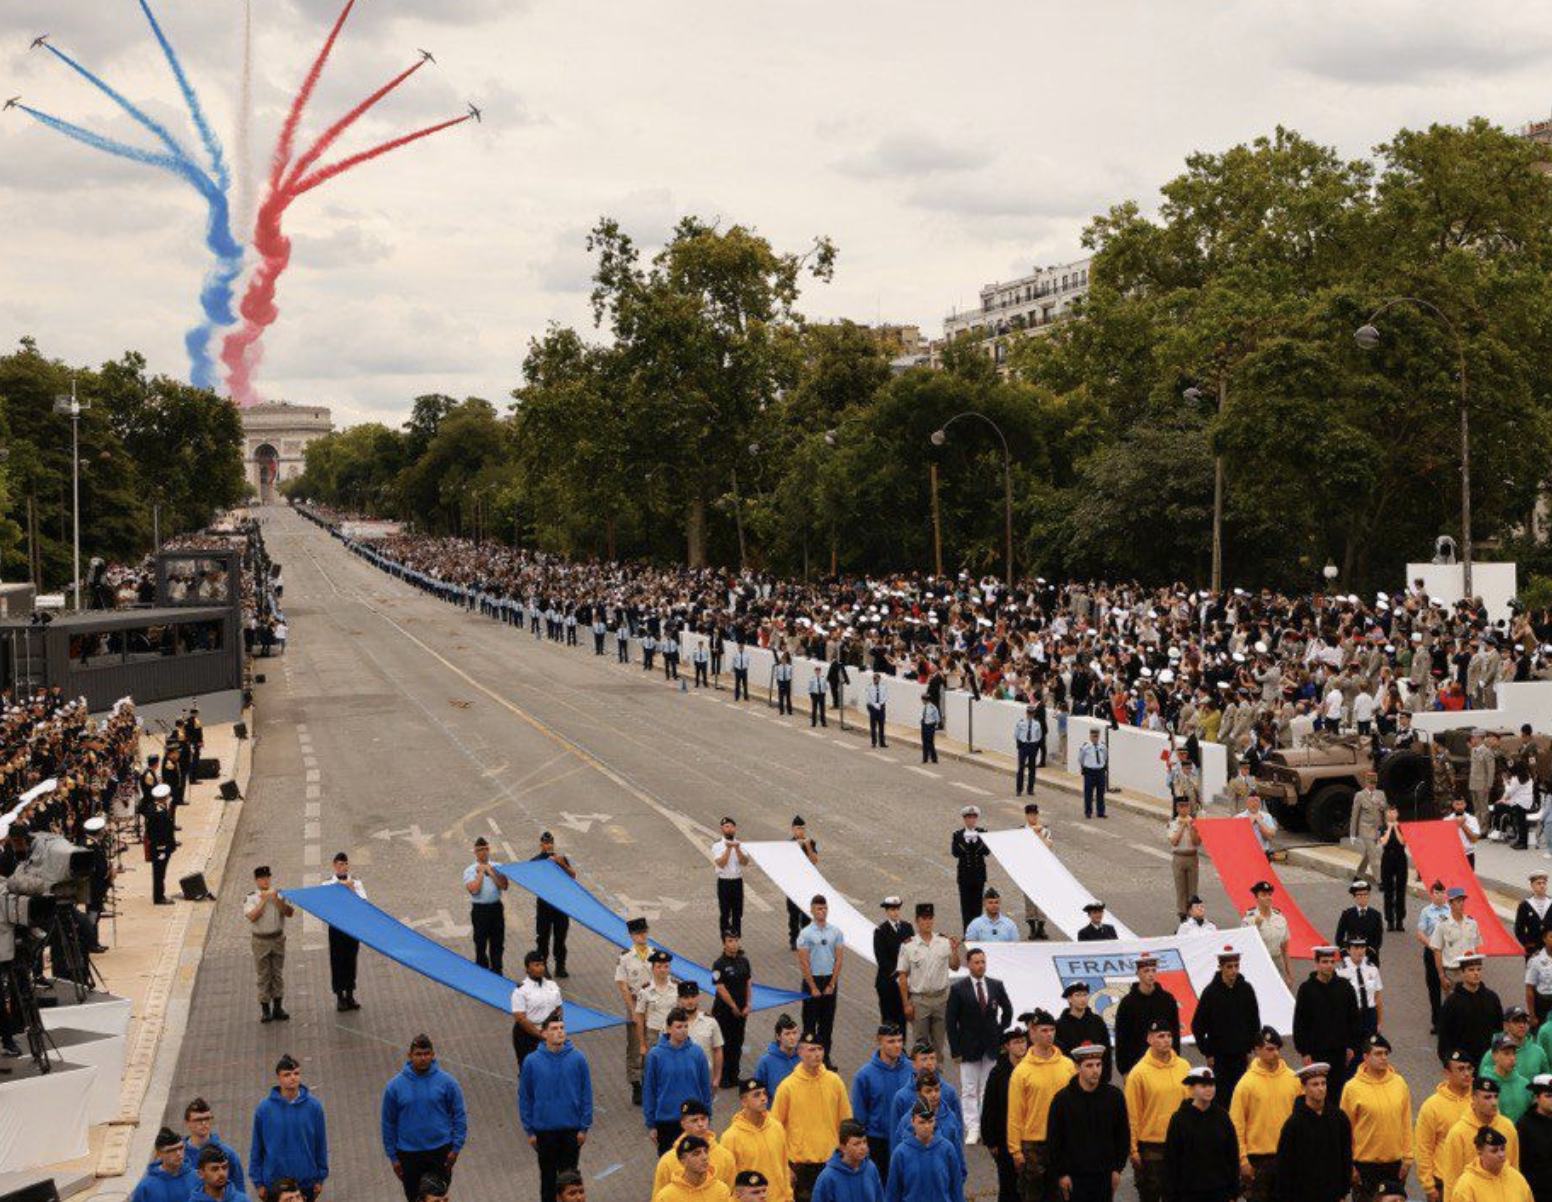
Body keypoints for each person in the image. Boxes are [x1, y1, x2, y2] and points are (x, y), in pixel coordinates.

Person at [380, 1034, 466, 1202]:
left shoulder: (448, 1083)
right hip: (408, 1154)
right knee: (415, 1198)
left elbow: (459, 1115)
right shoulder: (394, 1087)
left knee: (436, 1198)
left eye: (426, 1053)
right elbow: (387, 1123)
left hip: (440, 1151)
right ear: (410, 1055)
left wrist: (455, 1148)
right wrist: (393, 1157)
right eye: (418, 1054)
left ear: (433, 1054)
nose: (423, 1058)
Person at [518, 1012, 593, 1202]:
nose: (560, 1032)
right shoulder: (531, 1062)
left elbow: (586, 1094)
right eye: (554, 1029)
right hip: (545, 1132)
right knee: (548, 1181)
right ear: (543, 1034)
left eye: (562, 1028)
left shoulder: (578, 1058)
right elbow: (525, 1097)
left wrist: (584, 1127)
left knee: (571, 1181)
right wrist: (530, 1130)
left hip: (571, 1131)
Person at [771, 1031, 852, 1202]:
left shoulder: (834, 1081)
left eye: (819, 1049)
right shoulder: (787, 1087)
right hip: (802, 1167)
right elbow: (775, 1130)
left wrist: (847, 1156)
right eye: (811, 1050)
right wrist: (785, 1166)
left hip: (832, 1163)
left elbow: (846, 1122)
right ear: (799, 1052)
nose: (816, 1054)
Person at [1007, 1008, 1076, 1202]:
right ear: (1032, 1033)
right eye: (1044, 1030)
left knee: (1065, 1194)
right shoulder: (1022, 1072)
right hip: (1033, 1144)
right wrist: (1016, 1150)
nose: (1049, 1034)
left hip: (1063, 1141)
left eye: (1052, 1030)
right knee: (1033, 1196)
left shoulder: (1068, 1066)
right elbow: (1015, 1113)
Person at [1046, 1043, 1129, 1202]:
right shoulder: (1062, 1100)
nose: (1095, 1070)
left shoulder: (1114, 1097)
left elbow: (1122, 1135)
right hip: (1075, 1177)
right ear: (1077, 1068)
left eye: (1099, 1065)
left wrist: (1118, 1169)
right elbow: (1054, 1139)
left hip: (1105, 1176)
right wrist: (1061, 1174)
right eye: (1089, 1066)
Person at [947, 948, 1013, 1144]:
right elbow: (951, 1021)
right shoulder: (959, 988)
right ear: (969, 965)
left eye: (983, 962)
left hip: (991, 1046)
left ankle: (985, 1125)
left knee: (987, 1088)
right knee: (969, 1089)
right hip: (968, 1047)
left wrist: (1000, 1032)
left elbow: (1007, 1010)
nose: (980, 965)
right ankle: (972, 1127)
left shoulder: (995, 985)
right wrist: (955, 1049)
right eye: (976, 962)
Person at [1339, 1033, 1414, 1202]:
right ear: (1365, 1057)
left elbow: (1406, 1122)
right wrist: (1349, 1166)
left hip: (1394, 1165)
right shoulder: (1352, 1088)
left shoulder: (1399, 1083)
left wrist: (1408, 1158)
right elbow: (1344, 1131)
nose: (1384, 1058)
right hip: (1365, 1166)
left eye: (1386, 1053)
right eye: (1378, 1054)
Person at [1228, 1028, 1299, 1202]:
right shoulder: (1245, 1085)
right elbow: (1236, 1125)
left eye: (1277, 1049)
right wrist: (1242, 1160)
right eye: (1269, 1049)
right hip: (1258, 1161)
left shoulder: (1293, 1080)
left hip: (1289, 1157)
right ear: (1256, 1050)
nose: (1275, 1054)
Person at [1125, 1020, 1190, 1202]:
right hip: (1151, 1148)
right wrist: (1133, 1149)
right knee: (1151, 1195)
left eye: (1169, 1035)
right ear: (1149, 1039)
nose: (1166, 1040)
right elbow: (1132, 1114)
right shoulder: (1138, 1073)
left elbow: (1192, 1105)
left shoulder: (1184, 1067)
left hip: (1181, 1144)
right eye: (1160, 1036)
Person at [250, 1055, 329, 1202]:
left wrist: (320, 1178)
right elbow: (257, 1147)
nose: (293, 1078)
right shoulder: (264, 1109)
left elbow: (320, 1145)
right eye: (287, 1074)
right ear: (278, 1078)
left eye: (296, 1073)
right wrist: (258, 1182)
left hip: (305, 1183)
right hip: (274, 1186)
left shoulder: (314, 1107)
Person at [1191, 946, 1261, 1106]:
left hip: (1242, 1056)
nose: (1233, 970)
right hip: (1220, 1058)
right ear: (1221, 967)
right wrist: (1208, 1053)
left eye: (1236, 966)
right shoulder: (1210, 993)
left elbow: (1254, 1021)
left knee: (1242, 1097)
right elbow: (1197, 1026)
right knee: (1222, 1098)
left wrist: (1252, 1049)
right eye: (1229, 967)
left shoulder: (1246, 990)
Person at [1273, 1063, 1353, 1202]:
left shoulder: (1338, 1118)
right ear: (1304, 1088)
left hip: (1333, 1195)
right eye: (1315, 1085)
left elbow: (1345, 1155)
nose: (1321, 1089)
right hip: (1303, 1195)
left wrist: (1344, 1191)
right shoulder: (1294, 1124)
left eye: (1323, 1083)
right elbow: (1284, 1166)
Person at [1292, 945, 1360, 1101]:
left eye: (1331, 961)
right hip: (1316, 1053)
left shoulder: (1345, 986)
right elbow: (1300, 1022)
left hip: (1339, 1053)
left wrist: (1351, 1046)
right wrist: (1304, 1052)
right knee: (1318, 1094)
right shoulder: (1306, 989)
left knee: (1338, 1093)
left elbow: (1354, 1018)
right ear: (1316, 964)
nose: (1329, 965)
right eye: (1324, 961)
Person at [1163, 1067, 1240, 1202]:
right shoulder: (1179, 1119)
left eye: (1211, 1085)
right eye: (1203, 1086)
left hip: (1220, 1191)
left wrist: (1233, 1192)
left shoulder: (1222, 1116)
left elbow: (1232, 1155)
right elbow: (1171, 1160)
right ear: (1191, 1089)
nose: (1209, 1089)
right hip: (1190, 1192)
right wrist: (1170, 1196)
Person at [1437, 1078, 1520, 1201]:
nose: (1494, 1102)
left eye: (1496, 1096)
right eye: (1487, 1097)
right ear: (1473, 1099)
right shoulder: (1458, 1133)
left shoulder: (1508, 1128)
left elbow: (1513, 1169)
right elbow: (1451, 1180)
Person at [643, 1008, 714, 1154]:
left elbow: (705, 1087)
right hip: (666, 1121)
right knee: (669, 1165)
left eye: (686, 1026)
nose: (683, 1030)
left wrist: (707, 1116)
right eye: (678, 1027)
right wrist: (651, 1124)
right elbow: (649, 1090)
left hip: (693, 1120)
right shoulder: (655, 1055)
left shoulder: (697, 1052)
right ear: (668, 1028)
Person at [897, 903, 959, 1065]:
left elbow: (955, 966)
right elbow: (902, 976)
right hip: (920, 1000)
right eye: (924, 919)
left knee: (938, 1045)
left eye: (930, 918)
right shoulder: (908, 945)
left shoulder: (943, 942)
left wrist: (954, 950)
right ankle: (919, 1078)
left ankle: (936, 1079)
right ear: (917, 921)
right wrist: (906, 1004)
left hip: (941, 999)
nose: (927, 922)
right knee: (920, 1045)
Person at [852, 1024, 913, 1181]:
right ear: (879, 1041)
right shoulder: (864, 1075)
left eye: (900, 1040)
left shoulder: (912, 1070)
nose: (897, 1045)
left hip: (908, 1138)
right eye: (891, 1041)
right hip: (878, 1142)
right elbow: (859, 1117)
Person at [1417, 1052, 1476, 1202]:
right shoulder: (1432, 1106)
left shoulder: (1480, 1101)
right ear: (1446, 1073)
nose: (1467, 1074)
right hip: (1444, 1182)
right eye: (1461, 1069)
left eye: (1469, 1069)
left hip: (1476, 1181)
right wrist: (1429, 1186)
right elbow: (1424, 1147)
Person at [722, 1080, 790, 1202]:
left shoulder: (776, 1127)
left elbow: (784, 1164)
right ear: (744, 1101)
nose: (763, 1098)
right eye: (756, 1095)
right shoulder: (731, 1137)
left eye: (764, 1093)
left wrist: (788, 1196)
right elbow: (727, 1180)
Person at [796, 895, 846, 1061]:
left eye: (824, 908)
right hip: (813, 981)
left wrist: (832, 983)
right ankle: (808, 1059)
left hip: (829, 981)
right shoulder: (805, 934)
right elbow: (804, 962)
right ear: (811, 910)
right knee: (810, 1023)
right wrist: (813, 987)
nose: (822, 911)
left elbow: (839, 959)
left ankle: (825, 1059)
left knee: (827, 1024)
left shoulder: (835, 931)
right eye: (818, 908)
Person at [1115, 954, 1182, 1075]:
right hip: (1137, 1065)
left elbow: (1175, 1032)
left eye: (1153, 970)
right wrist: (1124, 1070)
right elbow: (1122, 1038)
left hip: (1165, 1063)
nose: (1151, 974)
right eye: (1146, 971)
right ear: (1138, 973)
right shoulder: (1128, 1003)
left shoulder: (1167, 999)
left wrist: (1175, 1058)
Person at [983, 1027, 1029, 1202]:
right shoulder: (998, 1073)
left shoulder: (1032, 1068)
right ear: (1007, 1046)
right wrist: (991, 1140)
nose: (1021, 1046)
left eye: (1023, 1041)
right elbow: (990, 1107)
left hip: (1029, 1136)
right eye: (1016, 1042)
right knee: (1009, 1186)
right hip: (1005, 1139)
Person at [885, 1098, 961, 1202]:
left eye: (930, 1121)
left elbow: (956, 1189)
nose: (927, 1126)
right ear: (912, 1121)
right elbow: (893, 1193)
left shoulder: (947, 1149)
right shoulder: (900, 1153)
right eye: (921, 1122)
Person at [652, 1100, 737, 1193]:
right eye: (694, 1120)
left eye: (703, 1118)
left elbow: (731, 1193)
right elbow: (659, 1196)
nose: (700, 1124)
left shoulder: (725, 1156)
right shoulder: (668, 1161)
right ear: (683, 1123)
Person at [244, 866, 294, 1024]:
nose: (266, 880)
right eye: (262, 878)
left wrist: (277, 899)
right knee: (263, 975)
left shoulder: (278, 893)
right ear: (256, 880)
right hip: (260, 940)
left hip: (277, 938)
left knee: (277, 974)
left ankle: (278, 1007)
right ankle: (265, 1010)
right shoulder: (251, 897)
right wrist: (264, 900)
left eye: (267, 877)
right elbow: (252, 916)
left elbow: (289, 912)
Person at [615, 916, 654, 1105]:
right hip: (635, 1003)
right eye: (639, 933)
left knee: (653, 1042)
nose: (643, 936)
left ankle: (650, 1080)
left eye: (644, 932)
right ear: (631, 935)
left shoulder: (654, 954)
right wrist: (633, 1011)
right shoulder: (625, 957)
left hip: (654, 1006)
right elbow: (622, 985)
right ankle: (636, 1084)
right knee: (635, 1045)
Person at [1440, 954, 1505, 1067]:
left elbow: (1498, 1029)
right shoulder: (1452, 1002)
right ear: (1462, 972)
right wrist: (1448, 1062)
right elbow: (1445, 1036)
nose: (1476, 973)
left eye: (1479, 969)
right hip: (1463, 1062)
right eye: (1471, 970)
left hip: (1488, 1061)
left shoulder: (1492, 998)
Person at [531, 831, 576, 977]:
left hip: (560, 906)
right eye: (545, 843)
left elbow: (572, 876)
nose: (548, 845)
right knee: (543, 939)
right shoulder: (535, 861)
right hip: (544, 907)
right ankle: (543, 968)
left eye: (550, 843)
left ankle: (560, 966)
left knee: (560, 938)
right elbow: (530, 880)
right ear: (541, 844)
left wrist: (561, 863)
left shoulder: (561, 859)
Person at [713, 929, 753, 1088]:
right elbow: (720, 987)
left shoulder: (744, 961)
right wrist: (733, 1006)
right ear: (724, 943)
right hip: (725, 1011)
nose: (734, 944)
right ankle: (723, 1076)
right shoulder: (718, 964)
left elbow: (748, 983)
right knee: (724, 1043)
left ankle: (734, 1074)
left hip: (741, 1011)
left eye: (736, 940)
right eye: (730, 941)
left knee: (737, 1042)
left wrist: (748, 1004)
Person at [325, 853, 365, 1011]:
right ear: (334, 865)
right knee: (337, 962)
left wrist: (351, 888)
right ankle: (339, 996)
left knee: (350, 961)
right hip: (336, 928)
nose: (342, 867)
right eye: (339, 864)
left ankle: (350, 994)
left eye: (345, 864)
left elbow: (363, 903)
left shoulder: (355, 882)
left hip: (352, 926)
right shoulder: (327, 883)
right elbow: (326, 905)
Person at [463, 836, 509, 976]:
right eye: (480, 850)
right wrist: (481, 873)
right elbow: (474, 890)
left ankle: (497, 970)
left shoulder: (497, 866)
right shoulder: (470, 870)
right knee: (480, 942)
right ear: (475, 852)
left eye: (485, 849)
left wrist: (491, 872)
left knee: (497, 942)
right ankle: (482, 972)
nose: (483, 852)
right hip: (480, 910)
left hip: (496, 908)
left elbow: (504, 886)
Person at [184, 1098, 247, 1196]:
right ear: (187, 1123)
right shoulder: (179, 1156)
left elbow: (239, 1192)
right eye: (198, 1120)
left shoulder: (228, 1154)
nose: (204, 1123)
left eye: (207, 1118)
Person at [513, 949, 565, 1066]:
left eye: (542, 964)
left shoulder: (552, 985)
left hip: (549, 1033)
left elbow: (559, 1008)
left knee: (551, 1066)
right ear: (527, 969)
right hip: (527, 1036)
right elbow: (520, 1018)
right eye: (536, 965)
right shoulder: (521, 990)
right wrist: (540, 1034)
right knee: (528, 1069)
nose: (541, 968)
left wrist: (556, 1029)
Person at [1453, 1127, 1533, 1202]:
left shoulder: (1517, 1178)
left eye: (1502, 1149)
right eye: (1494, 1151)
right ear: (1480, 1153)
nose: (1501, 1154)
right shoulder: (1466, 1185)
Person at [1054, 982, 1112, 1085]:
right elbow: (1060, 1055)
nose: (1083, 999)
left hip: (1097, 1080)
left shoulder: (1097, 1022)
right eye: (1078, 995)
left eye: (1085, 994)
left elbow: (1106, 1051)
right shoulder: (1059, 1025)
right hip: (1070, 1082)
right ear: (1069, 999)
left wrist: (1105, 1078)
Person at [811, 1121, 885, 1202]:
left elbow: (879, 1198)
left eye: (864, 1142)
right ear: (842, 1148)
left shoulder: (871, 1168)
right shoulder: (827, 1177)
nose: (863, 1147)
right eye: (856, 1144)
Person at [1434, 890, 1484, 993]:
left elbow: (1476, 947)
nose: (1461, 904)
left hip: (1470, 971)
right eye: (1458, 901)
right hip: (1452, 972)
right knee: (1453, 1006)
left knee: (1471, 1004)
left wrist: (1477, 969)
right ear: (1450, 903)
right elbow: (1437, 950)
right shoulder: (1443, 924)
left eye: (1462, 901)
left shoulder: (1472, 923)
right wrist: (1441, 976)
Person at [1244, 881, 1293, 985]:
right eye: (1263, 895)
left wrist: (1289, 974)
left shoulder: (1280, 917)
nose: (1268, 897)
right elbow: (1246, 946)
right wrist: (1256, 926)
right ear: (1256, 898)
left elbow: (1285, 949)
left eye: (1269, 894)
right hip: (1258, 963)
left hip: (1276, 960)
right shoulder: (1249, 919)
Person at [656, 1135, 733, 1202]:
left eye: (705, 1152)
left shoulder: (721, 1191)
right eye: (696, 1154)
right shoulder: (666, 1197)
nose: (704, 1157)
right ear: (683, 1161)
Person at [1420, 881, 1454, 1032]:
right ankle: (1437, 1021)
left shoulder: (1451, 910)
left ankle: (1451, 1020)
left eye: (1442, 892)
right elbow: (1420, 933)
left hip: (1449, 952)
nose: (1440, 896)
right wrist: (1432, 944)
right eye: (1436, 892)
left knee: (1449, 985)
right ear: (1431, 894)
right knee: (1434, 986)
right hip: (1432, 952)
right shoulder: (1426, 912)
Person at [131, 1127, 198, 1202]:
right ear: (159, 1154)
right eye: (172, 1150)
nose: (178, 1153)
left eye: (180, 1148)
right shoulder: (145, 1187)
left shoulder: (197, 1177)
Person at [681, 981, 728, 1088]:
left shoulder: (710, 1022)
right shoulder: (671, 1023)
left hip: (704, 1078)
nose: (690, 1001)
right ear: (679, 999)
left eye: (693, 996)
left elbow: (718, 1050)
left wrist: (717, 1078)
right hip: (679, 1079)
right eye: (686, 997)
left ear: (698, 997)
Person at [1017, 803, 1054, 941]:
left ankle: (1041, 927)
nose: (1033, 817)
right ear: (1026, 816)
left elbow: (1048, 846)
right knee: (1030, 900)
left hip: (1043, 869)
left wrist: (1038, 834)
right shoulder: (1021, 831)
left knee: (1043, 899)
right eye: (1030, 814)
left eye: (1035, 814)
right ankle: (1032, 927)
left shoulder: (1044, 831)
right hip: (1028, 869)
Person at [638, 952, 681, 1065]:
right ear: (652, 969)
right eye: (659, 966)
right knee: (653, 1067)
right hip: (653, 1034)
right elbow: (640, 1017)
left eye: (666, 966)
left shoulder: (677, 987)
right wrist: (642, 1044)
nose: (663, 970)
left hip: (673, 1034)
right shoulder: (645, 990)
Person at [1338, 936, 1385, 1040]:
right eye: (1356, 948)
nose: (1360, 951)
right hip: (1352, 1015)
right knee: (1353, 1049)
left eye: (1362, 947)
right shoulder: (1340, 972)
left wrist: (1379, 1022)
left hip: (1370, 1015)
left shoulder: (1372, 969)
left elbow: (1377, 998)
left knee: (1370, 1048)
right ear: (1348, 950)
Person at [1515, 1074, 1552, 1202]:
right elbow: (1520, 1163)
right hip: (1537, 1194)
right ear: (1536, 1098)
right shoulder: (1524, 1125)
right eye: (1548, 1096)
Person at [951, 807, 989, 929]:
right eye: (968, 817)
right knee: (966, 905)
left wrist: (976, 841)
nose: (971, 820)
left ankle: (977, 930)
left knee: (977, 905)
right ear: (964, 819)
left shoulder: (982, 833)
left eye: (973, 817)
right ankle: (968, 932)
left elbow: (987, 851)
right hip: (965, 875)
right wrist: (967, 843)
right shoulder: (958, 835)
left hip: (979, 874)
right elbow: (955, 852)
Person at [712, 818, 751, 938]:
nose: (729, 829)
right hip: (724, 882)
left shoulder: (740, 844)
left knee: (737, 914)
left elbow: (744, 862)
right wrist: (728, 848)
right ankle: (725, 942)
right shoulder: (717, 845)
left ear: (735, 828)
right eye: (726, 826)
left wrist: (737, 848)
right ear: (722, 829)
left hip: (737, 882)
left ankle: (736, 942)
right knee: (725, 913)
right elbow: (721, 863)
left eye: (731, 826)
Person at [1481, 1035, 1534, 1123]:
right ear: (1494, 1056)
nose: (1512, 1058)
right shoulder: (1483, 1085)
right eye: (1506, 1053)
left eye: (1514, 1053)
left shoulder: (1525, 1084)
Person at [1167, 797, 1203, 922]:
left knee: (1193, 889)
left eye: (1186, 806)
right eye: (1181, 806)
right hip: (1179, 857)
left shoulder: (1194, 822)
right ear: (1177, 808)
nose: (1184, 809)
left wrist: (1191, 828)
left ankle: (1193, 913)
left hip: (1192, 856)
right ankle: (1182, 914)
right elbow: (1174, 841)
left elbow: (1197, 842)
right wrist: (1182, 827)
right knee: (1181, 888)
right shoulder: (1172, 823)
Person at [1336, 880, 1386, 968]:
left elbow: (1378, 938)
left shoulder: (1375, 915)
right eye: (1359, 895)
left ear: (1369, 896)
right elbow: (1339, 937)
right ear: (1354, 897)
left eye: (1365, 894)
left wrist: (1370, 951)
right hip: (1351, 957)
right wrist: (1346, 951)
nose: (1362, 897)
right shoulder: (1347, 914)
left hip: (1370, 956)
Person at [786, 818, 819, 948]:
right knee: (793, 914)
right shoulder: (788, 845)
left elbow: (814, 860)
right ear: (793, 829)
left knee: (807, 914)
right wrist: (798, 846)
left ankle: (806, 939)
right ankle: (794, 939)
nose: (801, 831)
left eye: (803, 828)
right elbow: (788, 863)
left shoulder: (811, 842)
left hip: (807, 883)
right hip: (793, 883)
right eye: (799, 828)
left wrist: (808, 846)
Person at [1378, 805, 1409, 933]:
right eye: (1389, 812)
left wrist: (1396, 827)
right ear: (1386, 814)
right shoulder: (1382, 827)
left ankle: (1400, 920)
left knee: (1400, 890)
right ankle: (1390, 920)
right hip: (1387, 858)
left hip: (1400, 857)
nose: (1392, 814)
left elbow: (1402, 842)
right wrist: (1389, 828)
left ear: (1397, 813)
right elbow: (1384, 842)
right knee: (1388, 890)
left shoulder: (1402, 827)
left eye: (1394, 811)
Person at [754, 1015, 801, 1100]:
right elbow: (757, 1091)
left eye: (794, 1033)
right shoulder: (765, 1062)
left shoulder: (804, 1056)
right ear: (778, 1037)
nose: (792, 1037)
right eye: (787, 1034)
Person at [1350, 772, 1387, 881]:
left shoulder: (1380, 794)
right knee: (1374, 855)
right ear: (1366, 782)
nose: (1373, 785)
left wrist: (1380, 803)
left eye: (1375, 783)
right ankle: (1380, 881)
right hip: (1365, 828)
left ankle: (1358, 875)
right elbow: (1355, 815)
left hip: (1377, 829)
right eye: (1371, 783)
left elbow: (1386, 807)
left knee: (1369, 854)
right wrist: (1352, 833)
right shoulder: (1360, 795)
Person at [146, 784, 176, 906]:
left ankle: (159, 895)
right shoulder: (160, 813)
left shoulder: (154, 808)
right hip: (160, 847)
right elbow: (161, 833)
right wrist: (163, 848)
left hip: (158, 846)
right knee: (159, 873)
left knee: (159, 872)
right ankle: (159, 897)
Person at [1515, 873, 1552, 961]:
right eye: (1538, 883)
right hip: (1533, 950)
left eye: (1544, 883)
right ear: (1532, 885)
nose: (1542, 886)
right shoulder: (1525, 905)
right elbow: (1519, 929)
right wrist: (1528, 945)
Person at [1015, 705, 1044, 798]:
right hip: (1023, 745)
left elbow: (1039, 736)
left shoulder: (1037, 724)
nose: (1030, 715)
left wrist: (1034, 743)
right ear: (1026, 713)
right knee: (1021, 768)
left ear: (1034, 714)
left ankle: (1030, 789)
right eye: (1029, 713)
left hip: (1032, 746)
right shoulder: (1021, 723)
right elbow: (1016, 734)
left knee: (1032, 769)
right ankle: (1019, 789)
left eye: (1032, 713)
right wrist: (1020, 743)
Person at [1079, 728, 1108, 819]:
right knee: (1088, 793)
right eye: (1093, 736)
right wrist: (1086, 767)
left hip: (1100, 771)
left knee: (1100, 792)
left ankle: (1100, 812)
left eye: (1096, 736)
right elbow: (1081, 759)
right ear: (1090, 735)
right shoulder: (1086, 746)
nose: (1095, 738)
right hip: (1089, 771)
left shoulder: (1103, 746)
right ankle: (1088, 812)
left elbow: (1105, 756)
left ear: (1098, 736)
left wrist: (1102, 766)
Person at [1528, 928, 1552, 1027]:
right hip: (1543, 1004)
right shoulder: (1536, 960)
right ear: (1544, 939)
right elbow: (1529, 989)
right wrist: (1532, 1015)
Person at [865, 674, 889, 749]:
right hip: (873, 708)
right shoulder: (869, 686)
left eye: (878, 679)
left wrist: (880, 703)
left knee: (881, 726)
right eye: (875, 679)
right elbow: (868, 697)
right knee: (873, 726)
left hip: (881, 707)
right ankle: (873, 742)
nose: (876, 680)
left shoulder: (883, 686)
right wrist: (875, 704)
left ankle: (882, 742)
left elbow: (886, 696)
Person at [919, 694, 940, 764]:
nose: (922, 701)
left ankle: (934, 758)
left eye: (922, 700)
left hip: (930, 726)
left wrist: (935, 725)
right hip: (924, 725)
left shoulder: (933, 707)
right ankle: (925, 759)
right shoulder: (924, 707)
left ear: (925, 700)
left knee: (930, 743)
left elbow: (937, 717)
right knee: (924, 742)